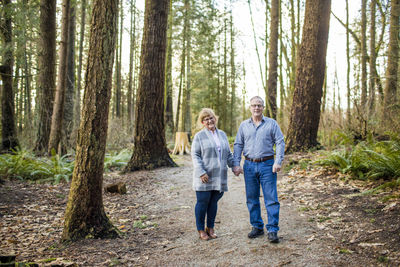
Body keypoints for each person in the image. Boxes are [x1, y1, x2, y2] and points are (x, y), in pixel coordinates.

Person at [233, 96, 285, 243]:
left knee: (271, 198)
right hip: (249, 165)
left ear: (263, 108)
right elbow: (238, 145)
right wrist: (236, 164)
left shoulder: (271, 124)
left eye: (259, 105)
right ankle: (257, 226)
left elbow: (280, 142)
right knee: (252, 198)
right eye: (254, 105)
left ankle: (273, 229)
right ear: (250, 107)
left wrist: (278, 161)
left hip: (268, 165)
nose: (256, 108)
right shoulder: (244, 125)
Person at [191, 108, 234, 241]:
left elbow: (228, 154)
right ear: (203, 122)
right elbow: (195, 155)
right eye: (206, 119)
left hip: (219, 176)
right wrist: (201, 172)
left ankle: (210, 228)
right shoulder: (199, 136)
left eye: (211, 117)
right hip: (205, 176)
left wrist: (235, 166)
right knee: (203, 202)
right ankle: (200, 229)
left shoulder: (222, 134)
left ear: (215, 118)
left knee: (213, 202)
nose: (209, 120)